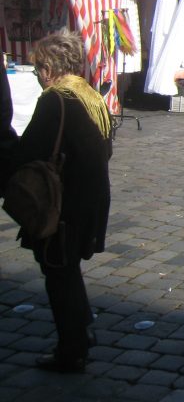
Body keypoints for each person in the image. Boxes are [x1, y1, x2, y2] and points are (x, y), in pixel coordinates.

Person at [0, 29, 113, 372]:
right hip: (90, 200)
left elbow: (30, 152)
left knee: (58, 275)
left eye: (38, 69)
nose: (36, 75)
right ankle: (80, 332)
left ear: (49, 67)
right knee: (68, 270)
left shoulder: (55, 100)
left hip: (63, 205)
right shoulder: (90, 96)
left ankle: (71, 348)